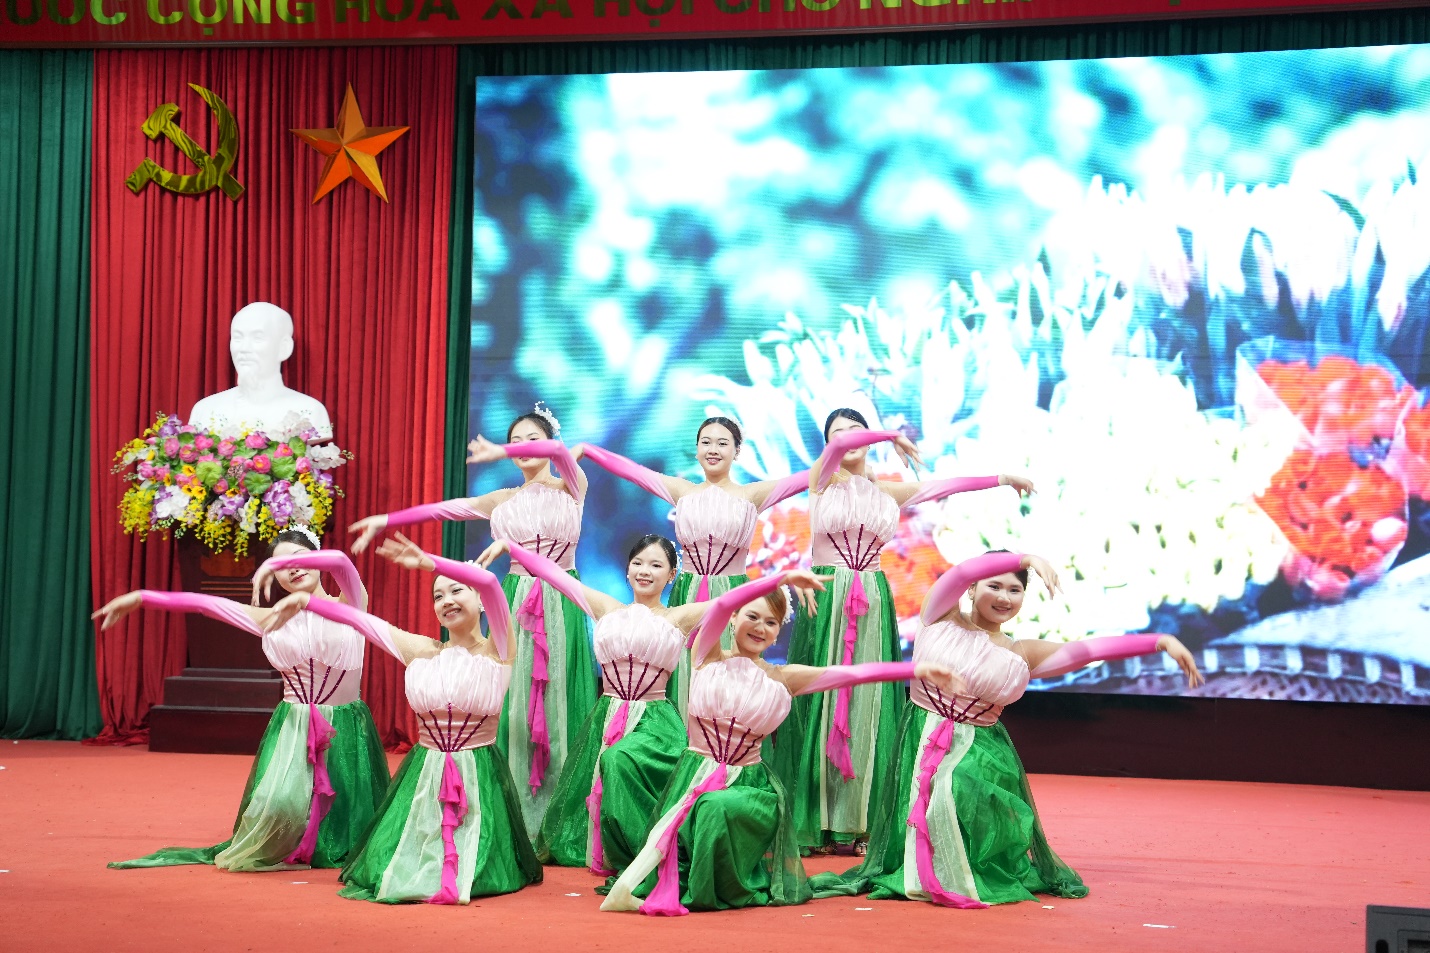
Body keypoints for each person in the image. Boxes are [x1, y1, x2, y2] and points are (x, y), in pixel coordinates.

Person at [812, 550, 1203, 907]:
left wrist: (1160, 641)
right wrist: (1026, 557)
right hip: (921, 736)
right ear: (972, 590)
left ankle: (966, 869)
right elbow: (961, 571)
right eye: (994, 586)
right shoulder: (939, 617)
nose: (1004, 597)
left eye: (1015, 590)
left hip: (983, 747)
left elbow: (1088, 651)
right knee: (944, 791)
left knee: (964, 784)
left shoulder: (1021, 652)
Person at [600, 571, 966, 916]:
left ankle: (709, 890)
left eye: (771, 622)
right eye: (753, 617)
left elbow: (854, 674)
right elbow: (723, 603)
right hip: (694, 774)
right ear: (732, 619)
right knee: (698, 804)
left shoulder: (783, 678)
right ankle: (662, 883)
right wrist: (780, 578)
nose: (760, 628)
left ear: (778, 633)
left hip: (750, 787)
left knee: (714, 806)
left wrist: (915, 670)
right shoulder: (705, 656)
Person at [777, 407, 1034, 855]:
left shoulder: (887, 493)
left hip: (872, 599)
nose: (847, 439)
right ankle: (811, 822)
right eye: (839, 433)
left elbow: (946, 486)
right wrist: (885, 433)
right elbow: (838, 448)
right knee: (818, 701)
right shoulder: (819, 481)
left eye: (856, 431)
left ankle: (858, 823)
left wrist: (1000, 478)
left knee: (869, 705)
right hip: (827, 595)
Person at [347, 403, 596, 840]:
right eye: (513, 441)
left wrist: (499, 450)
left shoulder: (571, 486)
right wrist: (387, 519)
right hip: (515, 600)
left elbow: (559, 448)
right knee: (515, 701)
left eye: (528, 440)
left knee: (561, 699)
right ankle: (515, 813)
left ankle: (562, 816)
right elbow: (443, 510)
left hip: (562, 600)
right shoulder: (500, 500)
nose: (521, 449)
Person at [261, 536, 543, 904]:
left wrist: (431, 564)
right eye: (438, 596)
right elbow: (358, 619)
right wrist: (303, 599)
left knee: (475, 867)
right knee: (385, 867)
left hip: (479, 775)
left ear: (482, 604)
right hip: (423, 772)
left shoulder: (499, 649)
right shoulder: (423, 650)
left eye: (457, 590)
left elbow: (491, 584)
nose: (446, 601)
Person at [96, 528, 388, 872]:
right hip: (294, 725)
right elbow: (205, 604)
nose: (292, 568)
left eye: (300, 558)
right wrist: (143, 596)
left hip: (346, 727)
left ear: (315, 558)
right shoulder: (271, 619)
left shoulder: (351, 604)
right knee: (277, 806)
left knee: (351, 815)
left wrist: (280, 562)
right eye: (280, 564)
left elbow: (341, 561)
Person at [576, 417, 808, 712]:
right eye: (706, 443)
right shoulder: (682, 491)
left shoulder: (752, 495)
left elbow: (809, 477)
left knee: (723, 678)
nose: (713, 449)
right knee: (681, 676)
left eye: (723, 443)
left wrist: (853, 458)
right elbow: (633, 472)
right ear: (697, 450)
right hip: (686, 593)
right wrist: (588, 450)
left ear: (737, 451)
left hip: (730, 597)